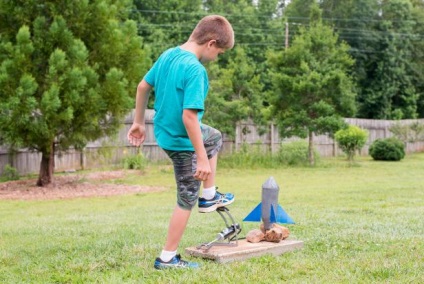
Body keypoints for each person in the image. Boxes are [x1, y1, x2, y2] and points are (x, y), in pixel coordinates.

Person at [127, 15, 235, 269]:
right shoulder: (195, 70)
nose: (217, 57)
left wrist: (139, 122)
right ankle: (167, 257)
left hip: (165, 130)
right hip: (180, 139)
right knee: (186, 197)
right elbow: (189, 117)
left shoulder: (169, 55)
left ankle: (209, 194)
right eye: (219, 52)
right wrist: (201, 158)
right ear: (210, 43)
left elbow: (143, 86)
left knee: (214, 136)